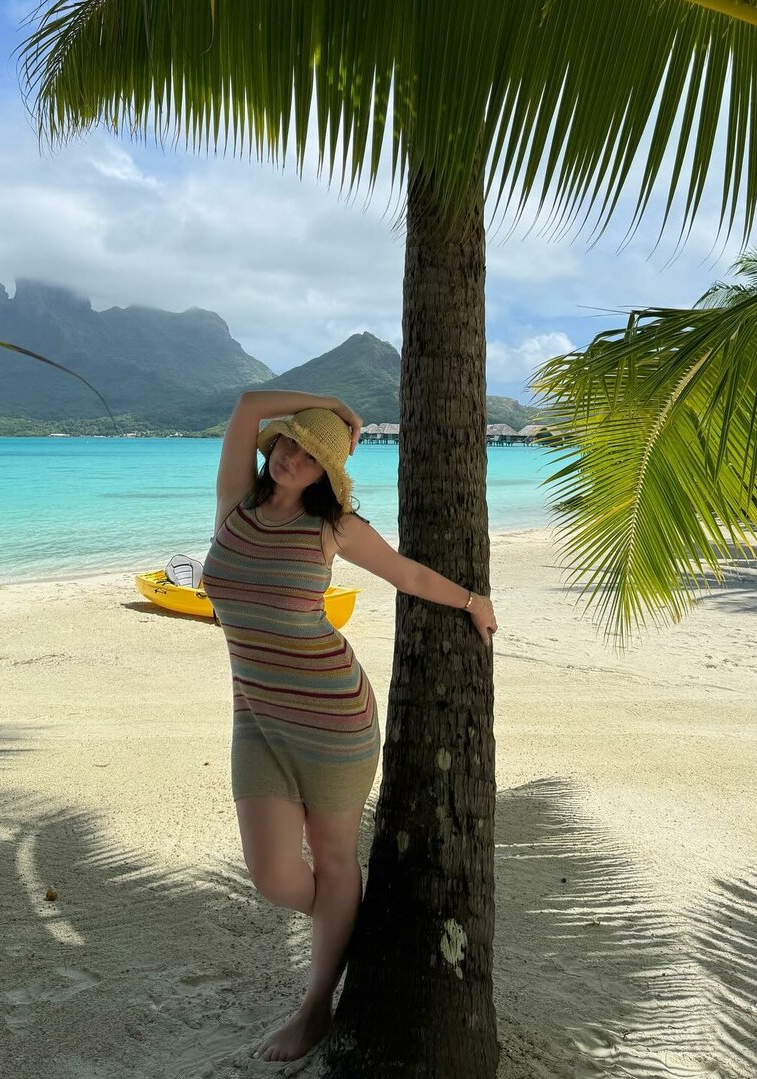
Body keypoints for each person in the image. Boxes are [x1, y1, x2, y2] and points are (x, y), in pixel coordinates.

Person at [201, 390, 497, 1063]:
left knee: (334, 860)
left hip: (334, 716)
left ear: (326, 475)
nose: (291, 458)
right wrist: (329, 404)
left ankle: (315, 1007)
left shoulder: (332, 527)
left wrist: (472, 600)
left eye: (310, 455)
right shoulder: (235, 502)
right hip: (256, 717)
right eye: (288, 442)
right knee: (273, 876)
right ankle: (345, 914)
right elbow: (247, 405)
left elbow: (405, 572)